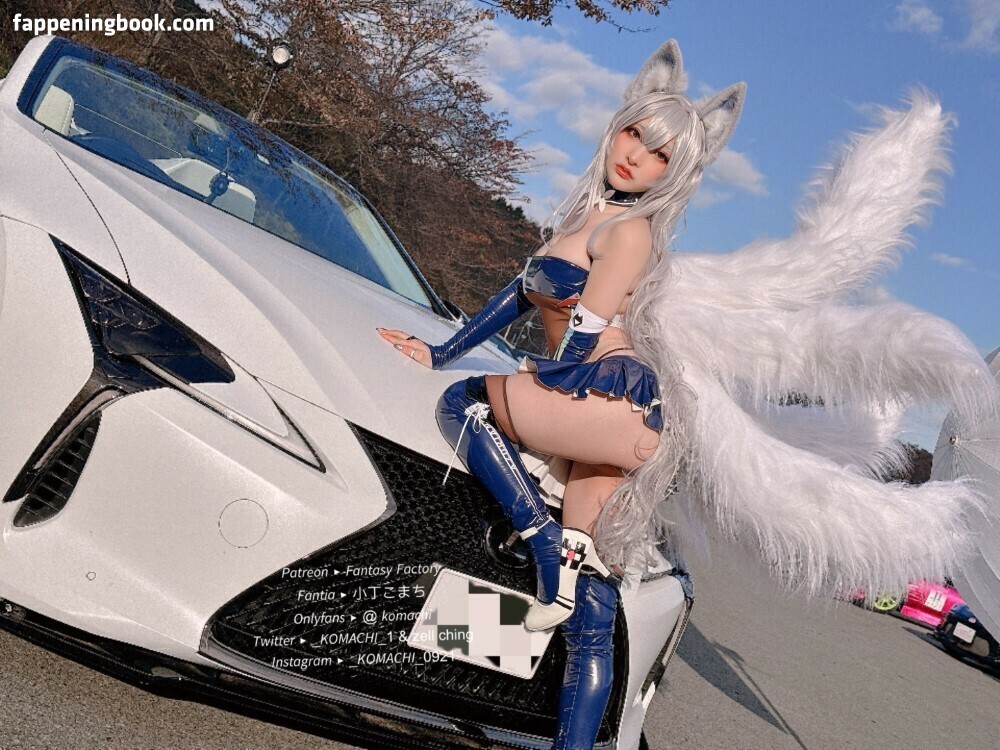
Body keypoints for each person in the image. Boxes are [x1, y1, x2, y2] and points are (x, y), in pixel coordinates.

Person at [380, 39, 997, 750]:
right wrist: (439, 347)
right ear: (616, 126)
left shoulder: (631, 233)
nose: (636, 156)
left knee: (465, 404)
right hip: (591, 409)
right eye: (634, 133)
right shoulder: (582, 219)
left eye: (660, 154)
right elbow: (517, 297)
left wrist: (530, 381)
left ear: (677, 174)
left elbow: (582, 333)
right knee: (591, 610)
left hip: (609, 401)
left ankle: (546, 552)